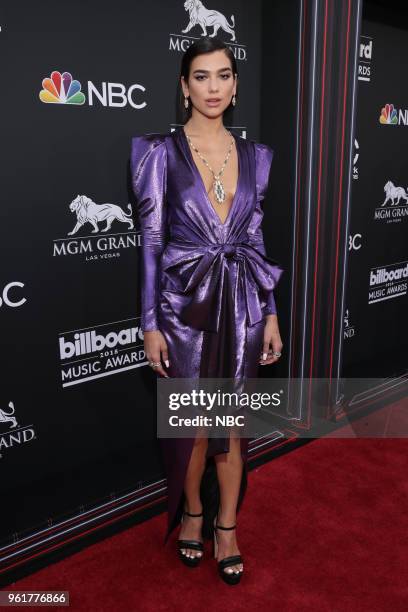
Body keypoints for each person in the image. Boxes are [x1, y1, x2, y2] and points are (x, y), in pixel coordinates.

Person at [130, 37, 284, 585]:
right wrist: (149, 322)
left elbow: (255, 241)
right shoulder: (156, 152)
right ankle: (192, 513)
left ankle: (227, 525)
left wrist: (269, 312)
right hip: (183, 308)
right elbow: (150, 242)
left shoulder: (257, 157)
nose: (213, 87)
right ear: (184, 85)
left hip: (242, 303)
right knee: (195, 426)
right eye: (201, 76)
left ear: (236, 85)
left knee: (233, 426)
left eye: (223, 75)